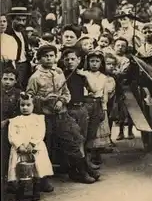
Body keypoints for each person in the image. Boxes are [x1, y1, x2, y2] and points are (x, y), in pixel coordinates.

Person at [26, 44, 100, 187]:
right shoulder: (35, 78)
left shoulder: (59, 73)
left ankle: (82, 171)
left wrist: (61, 100)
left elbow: (66, 93)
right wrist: (44, 100)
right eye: (45, 56)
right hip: (45, 118)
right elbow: (29, 98)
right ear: (39, 58)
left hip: (62, 114)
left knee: (73, 141)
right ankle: (43, 181)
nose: (49, 59)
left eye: (51, 56)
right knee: (45, 147)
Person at [8, 92, 53, 201]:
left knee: (36, 170)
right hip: (20, 150)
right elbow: (12, 135)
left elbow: (40, 133)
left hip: (35, 149)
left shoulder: (39, 119)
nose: (25, 108)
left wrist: (32, 144)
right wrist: (19, 145)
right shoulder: (14, 121)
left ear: (33, 106)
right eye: (22, 105)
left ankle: (36, 191)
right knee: (19, 171)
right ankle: (19, 192)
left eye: (28, 105)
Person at [61, 47, 96, 183]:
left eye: (73, 59)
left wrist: (86, 76)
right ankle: (80, 171)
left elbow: (93, 90)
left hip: (81, 109)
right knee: (74, 140)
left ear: (79, 60)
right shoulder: (61, 75)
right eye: (67, 59)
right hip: (68, 110)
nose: (70, 62)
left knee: (82, 139)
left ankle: (83, 168)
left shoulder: (82, 75)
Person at [77, 50, 109, 169]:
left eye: (97, 61)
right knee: (83, 130)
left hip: (97, 103)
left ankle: (90, 157)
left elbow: (101, 92)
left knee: (93, 131)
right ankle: (83, 157)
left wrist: (104, 109)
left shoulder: (103, 77)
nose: (94, 64)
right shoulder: (84, 73)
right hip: (86, 103)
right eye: (92, 61)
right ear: (87, 62)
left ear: (101, 63)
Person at [1, 66, 22, 192]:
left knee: (11, 154)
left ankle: (12, 180)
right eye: (5, 79)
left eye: (11, 79)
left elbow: (21, 113)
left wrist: (8, 121)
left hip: (13, 127)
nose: (7, 81)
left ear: (15, 81)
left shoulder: (19, 94)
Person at [5, 7, 33, 89]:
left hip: (25, 65)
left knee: (25, 86)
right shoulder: (8, 34)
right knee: (15, 88)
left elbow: (25, 48)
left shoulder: (23, 33)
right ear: (12, 20)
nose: (21, 22)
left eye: (23, 20)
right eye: (18, 20)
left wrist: (28, 53)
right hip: (14, 66)